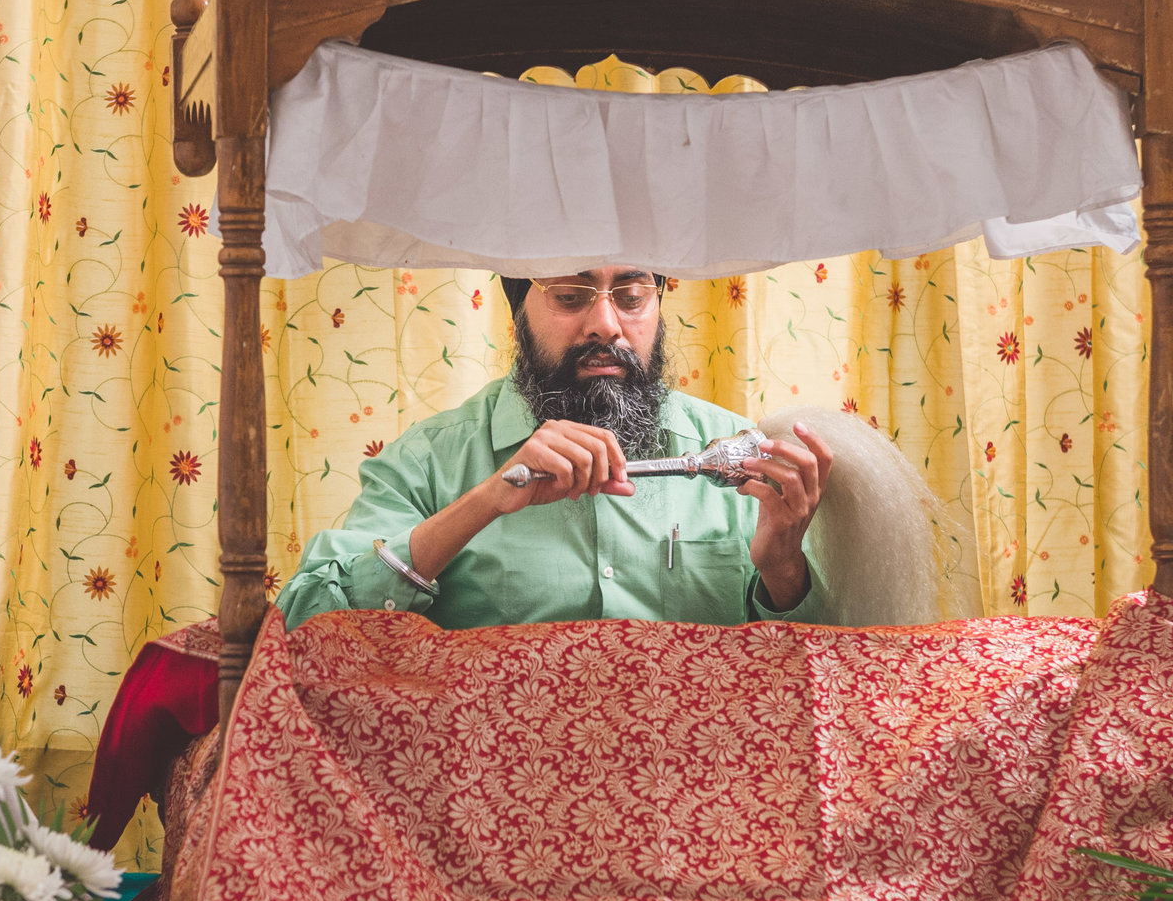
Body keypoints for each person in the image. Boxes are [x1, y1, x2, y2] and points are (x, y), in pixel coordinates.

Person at [277, 266, 834, 631]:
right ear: (518, 309)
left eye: (633, 297)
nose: (606, 325)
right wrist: (485, 503)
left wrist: (783, 570)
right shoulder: (427, 462)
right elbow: (305, 624)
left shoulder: (739, 459)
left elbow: (813, 681)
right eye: (570, 297)